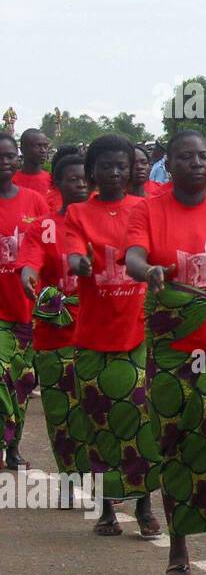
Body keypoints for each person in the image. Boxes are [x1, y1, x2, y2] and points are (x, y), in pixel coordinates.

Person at [124, 130, 206, 575]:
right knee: (174, 443)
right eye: (185, 157)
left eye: (203, 157)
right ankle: (179, 546)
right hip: (171, 348)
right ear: (169, 163)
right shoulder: (148, 209)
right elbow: (133, 258)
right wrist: (149, 270)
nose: (195, 164)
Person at [62, 134, 159, 536]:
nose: (116, 173)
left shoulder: (146, 208)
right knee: (98, 421)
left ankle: (144, 505)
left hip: (137, 332)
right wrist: (79, 264)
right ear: (92, 173)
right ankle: (106, 508)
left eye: (122, 165)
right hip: (92, 336)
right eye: (106, 166)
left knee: (139, 419)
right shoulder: (78, 213)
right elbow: (71, 253)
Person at [19, 150, 87, 494]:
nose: (81, 183)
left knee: (96, 413)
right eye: (72, 178)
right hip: (55, 334)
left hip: (99, 335)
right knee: (61, 415)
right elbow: (29, 263)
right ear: (57, 184)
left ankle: (106, 488)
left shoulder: (106, 219)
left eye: (84, 177)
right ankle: (68, 479)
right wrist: (30, 278)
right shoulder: (44, 227)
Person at [0, 133, 50, 469]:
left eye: (10, 155)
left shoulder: (35, 201)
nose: (6, 162)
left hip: (29, 306)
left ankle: (13, 446)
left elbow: (47, 247)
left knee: (22, 381)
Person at [15, 129, 54, 208]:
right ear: (23, 149)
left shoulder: (52, 180)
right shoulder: (10, 181)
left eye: (45, 146)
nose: (43, 150)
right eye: (37, 146)